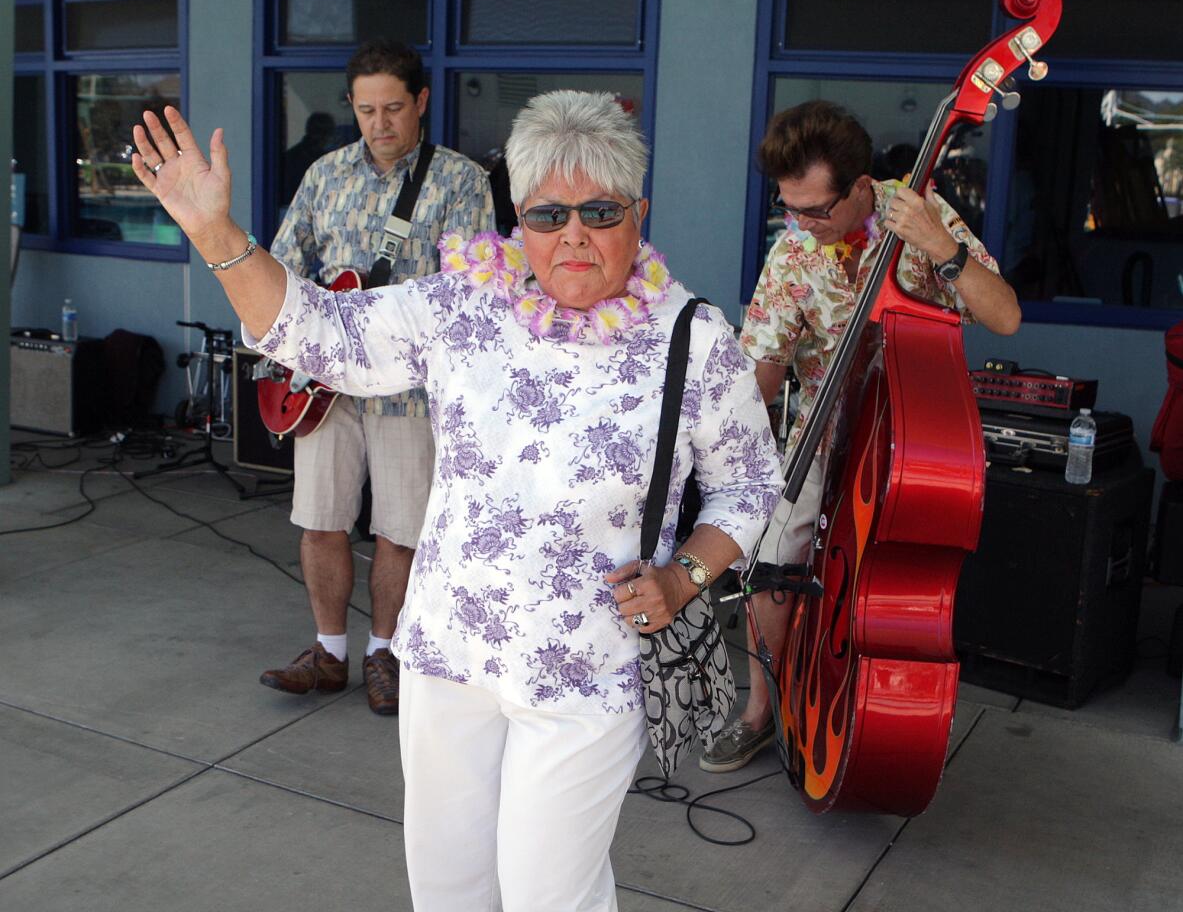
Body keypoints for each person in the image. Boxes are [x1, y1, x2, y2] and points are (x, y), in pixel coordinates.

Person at [130, 90, 782, 910]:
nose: (572, 234)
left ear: (638, 213)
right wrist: (214, 235)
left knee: (550, 893)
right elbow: (316, 331)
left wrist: (686, 577)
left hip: (585, 674)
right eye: (547, 214)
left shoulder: (693, 339)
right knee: (447, 887)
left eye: (599, 210)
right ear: (518, 218)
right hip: (447, 658)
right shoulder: (460, 307)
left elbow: (750, 481)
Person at [701, 99, 1021, 773]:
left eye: (817, 210)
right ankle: (764, 707)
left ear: (859, 187)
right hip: (823, 431)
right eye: (791, 209)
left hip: (914, 442)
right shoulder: (792, 249)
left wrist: (940, 247)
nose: (804, 225)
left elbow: (1005, 317)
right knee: (768, 560)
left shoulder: (919, 212)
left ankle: (874, 706)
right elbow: (760, 374)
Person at [262, 39, 495, 716]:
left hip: (411, 394)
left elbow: (474, 293)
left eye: (393, 107)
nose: (380, 123)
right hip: (326, 389)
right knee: (320, 521)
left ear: (421, 102)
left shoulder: (459, 182)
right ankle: (329, 651)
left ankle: (384, 650)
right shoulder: (324, 176)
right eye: (366, 110)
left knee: (401, 529)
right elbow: (283, 272)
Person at [280, 111, 337, 205]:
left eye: (327, 133)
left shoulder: (330, 160)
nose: (324, 137)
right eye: (319, 131)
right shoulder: (290, 160)